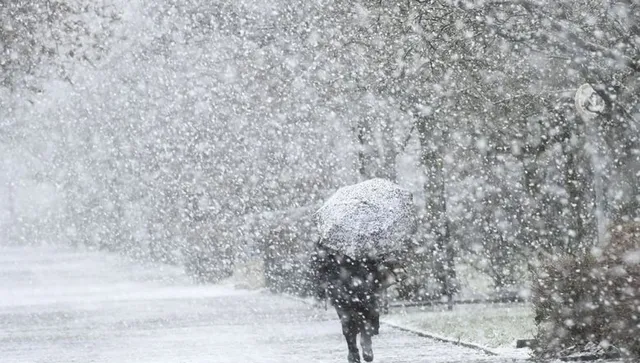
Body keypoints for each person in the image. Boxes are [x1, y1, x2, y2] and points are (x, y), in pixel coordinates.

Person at [310, 241, 394, 363]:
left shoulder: (331, 240)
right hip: (346, 287)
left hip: (357, 286)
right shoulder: (330, 242)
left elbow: (321, 266)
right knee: (352, 318)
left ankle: (361, 344)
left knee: (361, 317)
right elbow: (321, 266)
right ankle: (355, 346)